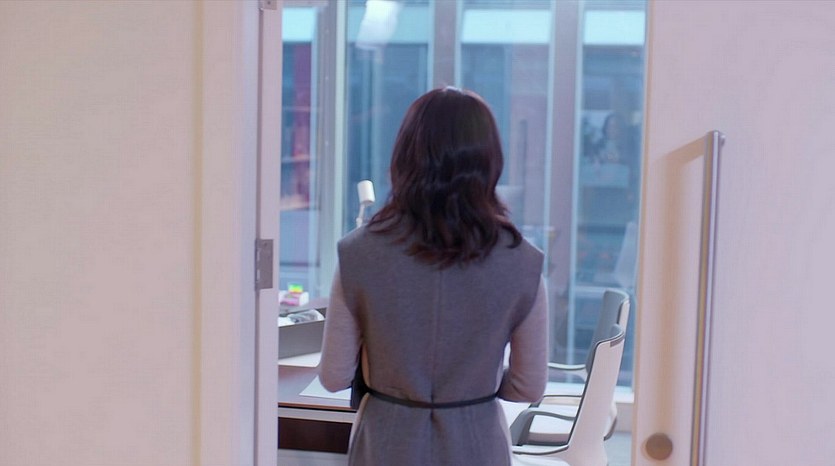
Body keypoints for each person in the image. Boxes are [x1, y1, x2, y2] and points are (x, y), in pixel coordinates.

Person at [319, 87, 548, 466]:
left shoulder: (357, 253)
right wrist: (476, 384)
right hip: (477, 444)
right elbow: (529, 385)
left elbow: (333, 376)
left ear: (404, 157)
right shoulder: (524, 262)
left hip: (386, 443)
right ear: (489, 161)